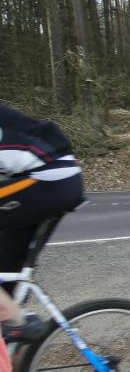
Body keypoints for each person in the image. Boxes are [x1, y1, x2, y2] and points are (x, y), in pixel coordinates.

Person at [0, 104, 85, 342]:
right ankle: (14, 355)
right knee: (6, 279)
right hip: (38, 179)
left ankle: (15, 319)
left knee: (8, 314)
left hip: (47, 178)